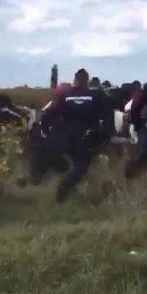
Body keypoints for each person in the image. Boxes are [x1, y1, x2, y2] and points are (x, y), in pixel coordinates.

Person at [41, 69, 109, 202]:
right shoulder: (95, 95)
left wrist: (46, 131)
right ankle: (63, 191)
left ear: (75, 80)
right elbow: (105, 117)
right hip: (85, 136)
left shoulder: (65, 95)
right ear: (87, 81)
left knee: (75, 164)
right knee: (81, 167)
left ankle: (71, 191)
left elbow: (49, 113)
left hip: (67, 136)